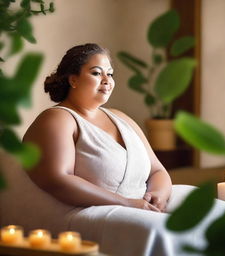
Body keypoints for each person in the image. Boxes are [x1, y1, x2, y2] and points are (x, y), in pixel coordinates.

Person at [23, 43, 172, 213]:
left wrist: (158, 195)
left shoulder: (121, 118)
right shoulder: (58, 118)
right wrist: (126, 203)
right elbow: (57, 179)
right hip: (102, 213)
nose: (107, 80)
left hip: (143, 206)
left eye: (110, 74)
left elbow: (158, 170)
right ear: (73, 79)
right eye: (96, 73)